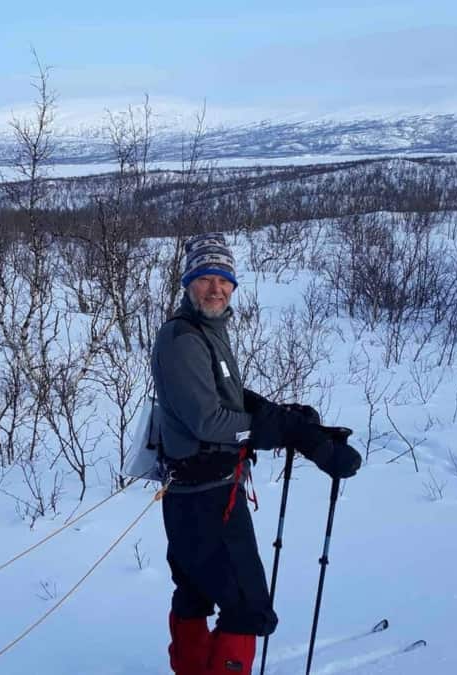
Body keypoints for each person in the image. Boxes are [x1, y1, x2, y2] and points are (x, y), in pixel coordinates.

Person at [151, 232, 362, 675]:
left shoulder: (207, 330)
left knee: (195, 591)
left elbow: (227, 395)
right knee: (247, 607)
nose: (216, 288)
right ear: (188, 283)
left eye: (223, 279)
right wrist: (281, 431)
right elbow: (207, 420)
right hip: (207, 498)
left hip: (196, 493)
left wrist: (281, 417)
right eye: (205, 278)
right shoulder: (183, 338)